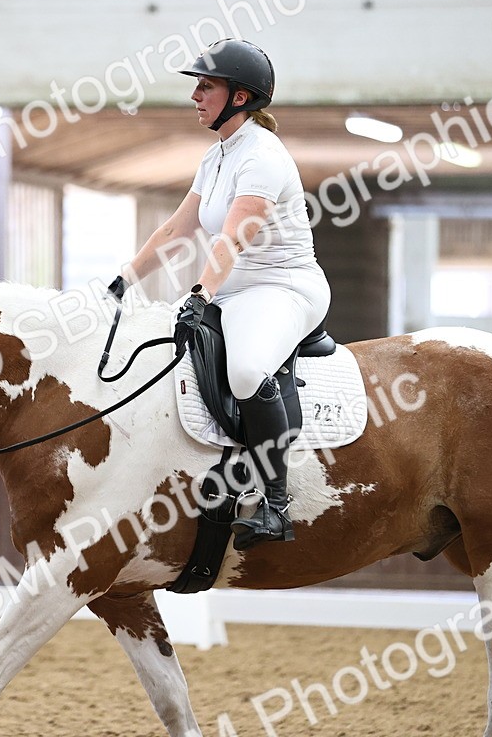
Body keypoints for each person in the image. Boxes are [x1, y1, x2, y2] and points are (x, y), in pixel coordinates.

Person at [108, 38, 331, 550]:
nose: (195, 96)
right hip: (232, 290)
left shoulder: (264, 157)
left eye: (205, 87)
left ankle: (276, 503)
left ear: (239, 97)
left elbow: (233, 237)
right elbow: (176, 229)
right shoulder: (217, 156)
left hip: (283, 287)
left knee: (248, 371)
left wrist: (200, 295)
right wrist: (121, 282)